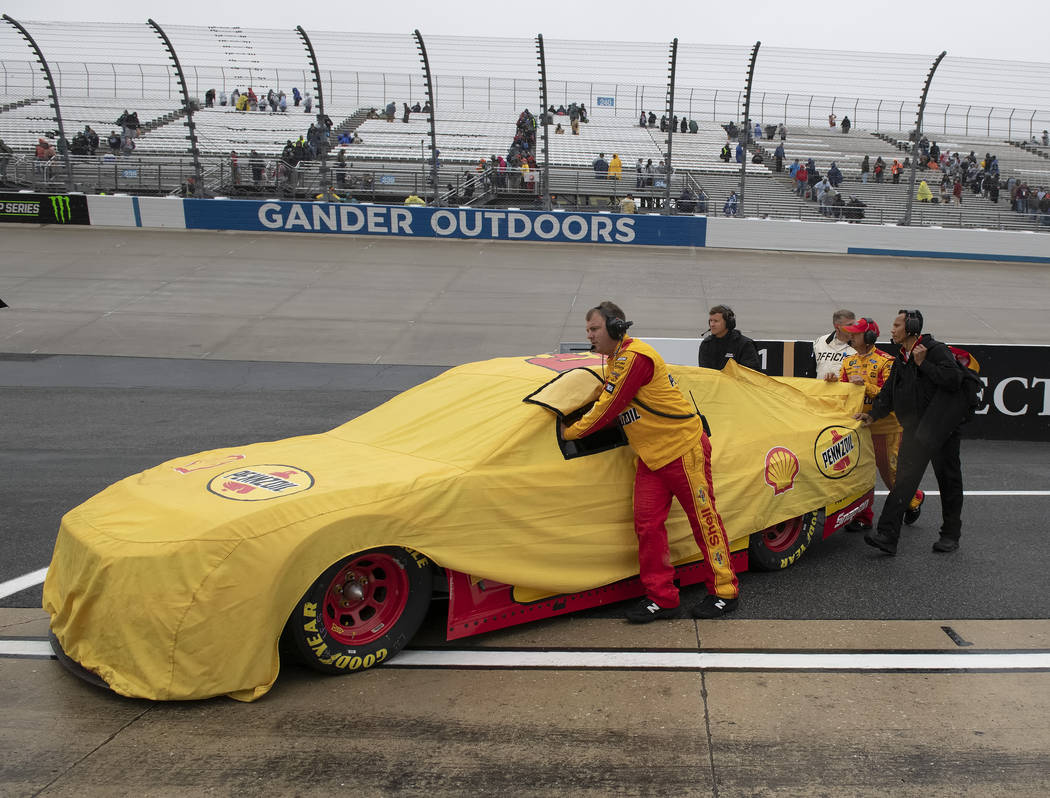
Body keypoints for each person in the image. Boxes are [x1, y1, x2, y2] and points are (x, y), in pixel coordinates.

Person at [561, 302, 740, 622]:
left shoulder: (634, 357)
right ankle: (662, 597)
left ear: (616, 327)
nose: (589, 336)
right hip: (652, 456)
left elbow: (608, 407)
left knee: (704, 520)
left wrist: (569, 431)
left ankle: (724, 591)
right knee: (647, 526)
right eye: (587, 330)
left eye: (594, 329)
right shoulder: (616, 359)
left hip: (683, 449)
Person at [856, 310, 974, 555]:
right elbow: (889, 390)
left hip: (941, 429)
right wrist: (873, 414)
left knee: (949, 480)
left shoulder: (935, 350)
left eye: (897, 325)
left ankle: (950, 535)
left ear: (910, 327)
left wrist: (924, 364)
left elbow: (953, 380)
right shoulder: (902, 356)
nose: (892, 329)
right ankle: (887, 536)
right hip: (914, 430)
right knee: (904, 482)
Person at [837, 317, 925, 532]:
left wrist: (864, 386)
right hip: (858, 428)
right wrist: (832, 383)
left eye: (855, 334)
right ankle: (863, 516)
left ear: (868, 337)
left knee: (890, 474)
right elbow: (841, 393)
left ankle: (914, 498)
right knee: (858, 473)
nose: (851, 337)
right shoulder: (848, 362)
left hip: (886, 429)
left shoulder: (886, 361)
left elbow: (890, 396)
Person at [698, 305, 760, 370]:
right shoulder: (706, 344)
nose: (712, 324)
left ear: (728, 323)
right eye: (711, 321)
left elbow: (750, 373)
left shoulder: (745, 344)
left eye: (716, 321)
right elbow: (705, 373)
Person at [813, 309, 856, 380]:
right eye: (849, 325)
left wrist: (838, 380)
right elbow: (812, 371)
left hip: (845, 390)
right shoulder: (820, 341)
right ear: (837, 327)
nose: (854, 328)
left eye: (854, 324)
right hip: (820, 390)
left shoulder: (860, 345)